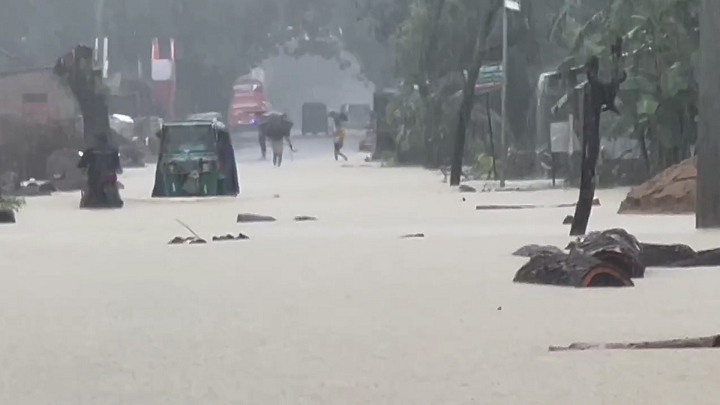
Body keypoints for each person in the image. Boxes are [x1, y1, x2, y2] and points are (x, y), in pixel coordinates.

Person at [77, 132, 123, 208]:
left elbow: (82, 163)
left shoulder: (90, 151)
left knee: (90, 185)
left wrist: (81, 166)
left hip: (94, 175)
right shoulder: (113, 150)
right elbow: (116, 164)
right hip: (110, 174)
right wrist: (117, 168)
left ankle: (90, 199)